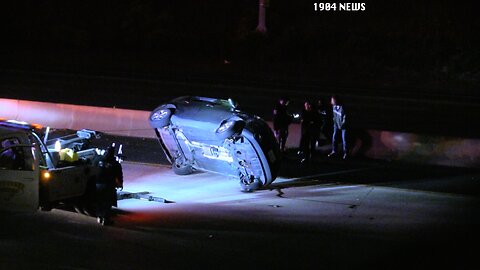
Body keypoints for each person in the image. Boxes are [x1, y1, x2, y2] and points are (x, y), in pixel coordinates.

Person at [95, 145, 123, 226]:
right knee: (107, 203)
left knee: (99, 201)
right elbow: (119, 175)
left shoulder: (98, 159)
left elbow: (93, 167)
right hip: (108, 185)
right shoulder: (115, 163)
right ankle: (106, 219)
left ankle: (99, 217)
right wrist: (120, 184)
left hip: (98, 184)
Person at [328, 95, 348, 159]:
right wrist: (335, 123)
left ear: (336, 100)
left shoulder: (342, 107)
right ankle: (334, 151)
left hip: (343, 126)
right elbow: (334, 116)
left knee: (344, 140)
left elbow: (345, 117)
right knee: (334, 138)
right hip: (336, 125)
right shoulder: (333, 106)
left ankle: (345, 153)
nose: (331, 101)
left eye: (332, 100)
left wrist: (342, 124)